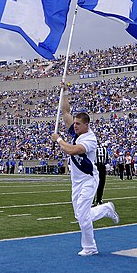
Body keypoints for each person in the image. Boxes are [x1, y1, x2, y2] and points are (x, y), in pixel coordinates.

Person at [51, 89, 119, 256]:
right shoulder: (75, 132)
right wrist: (64, 91)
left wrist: (59, 139)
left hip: (89, 178)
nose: (74, 126)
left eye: (78, 124)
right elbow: (65, 111)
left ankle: (90, 247)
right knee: (80, 215)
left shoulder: (90, 138)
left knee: (82, 215)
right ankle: (106, 209)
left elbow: (73, 150)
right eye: (74, 124)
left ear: (86, 125)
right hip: (76, 180)